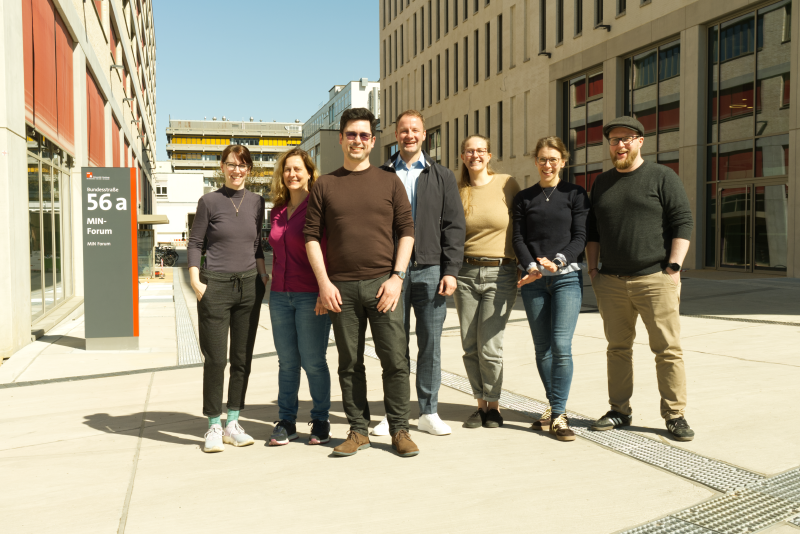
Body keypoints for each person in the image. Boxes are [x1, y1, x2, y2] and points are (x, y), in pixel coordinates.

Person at [303, 108, 419, 457]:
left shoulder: (389, 182)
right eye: (351, 134)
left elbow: (407, 232)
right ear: (340, 139)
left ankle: (400, 429)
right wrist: (324, 284)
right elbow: (311, 236)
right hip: (342, 289)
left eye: (364, 135)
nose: (357, 140)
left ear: (373, 141)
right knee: (349, 363)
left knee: (395, 360)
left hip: (383, 285)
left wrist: (397, 278)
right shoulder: (324, 184)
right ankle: (358, 430)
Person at [586, 116, 695, 441]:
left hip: (655, 278)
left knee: (668, 350)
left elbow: (683, 221)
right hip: (611, 281)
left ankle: (675, 415)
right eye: (614, 140)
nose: (619, 145)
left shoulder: (662, 176)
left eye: (626, 139)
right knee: (618, 348)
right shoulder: (601, 183)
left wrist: (673, 268)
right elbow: (593, 231)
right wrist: (593, 271)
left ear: (640, 141)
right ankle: (620, 410)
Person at [376, 110, 466, 437]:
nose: (409, 135)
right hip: (391, 274)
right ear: (395, 135)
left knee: (430, 345)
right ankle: (394, 413)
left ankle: (428, 412)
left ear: (424, 134)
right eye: (403, 130)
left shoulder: (442, 176)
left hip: (431, 271)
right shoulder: (381, 174)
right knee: (393, 346)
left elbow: (454, 226)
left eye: (415, 130)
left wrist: (451, 270)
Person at [188, 144, 268, 453]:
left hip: (249, 286)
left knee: (241, 359)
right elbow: (195, 242)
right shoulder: (209, 201)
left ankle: (232, 422)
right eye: (232, 164)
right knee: (216, 359)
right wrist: (196, 280)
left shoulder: (258, 202)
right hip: (216, 286)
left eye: (243, 165)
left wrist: (263, 276)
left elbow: (257, 244)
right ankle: (212, 425)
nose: (237, 170)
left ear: (249, 169)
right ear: (222, 166)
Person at [512, 137, 590, 442]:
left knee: (561, 345)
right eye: (543, 159)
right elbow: (518, 238)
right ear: (535, 161)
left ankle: (558, 414)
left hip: (566, 278)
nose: (548, 164)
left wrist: (558, 261)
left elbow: (580, 236)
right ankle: (555, 407)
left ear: (563, 161)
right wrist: (531, 266)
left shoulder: (575, 194)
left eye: (553, 159)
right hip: (533, 281)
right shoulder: (524, 198)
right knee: (542, 348)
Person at [453, 134, 520, 429]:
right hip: (465, 273)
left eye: (481, 150)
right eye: (470, 150)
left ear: (489, 155)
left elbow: (522, 225)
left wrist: (524, 262)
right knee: (469, 344)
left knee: (490, 346)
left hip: (500, 272)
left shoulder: (507, 184)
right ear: (463, 156)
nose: (475, 155)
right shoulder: (457, 190)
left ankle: (495, 405)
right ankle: (480, 405)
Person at [267, 148, 332, 447]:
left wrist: (324, 288)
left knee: (314, 361)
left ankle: (320, 420)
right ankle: (287, 421)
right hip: (279, 295)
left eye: (298, 169)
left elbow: (328, 251)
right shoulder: (277, 211)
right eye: (287, 170)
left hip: (310, 294)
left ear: (309, 172)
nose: (292, 174)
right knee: (287, 362)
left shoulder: (318, 207)